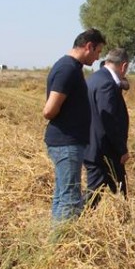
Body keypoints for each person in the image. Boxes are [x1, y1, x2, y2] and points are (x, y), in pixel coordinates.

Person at [43, 28, 106, 222]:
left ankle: (56, 244)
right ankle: (64, 245)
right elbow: (49, 110)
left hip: (68, 142)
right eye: (97, 52)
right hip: (66, 143)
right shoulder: (68, 68)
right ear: (89, 46)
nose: (97, 58)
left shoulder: (70, 67)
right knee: (70, 199)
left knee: (63, 195)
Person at [84, 48, 130, 208]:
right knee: (98, 193)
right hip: (104, 151)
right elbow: (109, 120)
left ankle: (121, 219)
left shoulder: (94, 78)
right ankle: (74, 221)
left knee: (112, 189)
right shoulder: (107, 84)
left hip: (92, 145)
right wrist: (122, 149)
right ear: (123, 66)